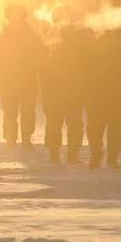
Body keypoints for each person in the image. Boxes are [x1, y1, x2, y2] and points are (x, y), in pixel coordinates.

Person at [0, 5, 45, 147]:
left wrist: (28, 64)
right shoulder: (1, 38)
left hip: (27, 83)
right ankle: (10, 140)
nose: (15, 19)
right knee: (9, 113)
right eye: (12, 16)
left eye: (18, 15)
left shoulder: (33, 38)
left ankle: (26, 139)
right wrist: (6, 61)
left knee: (28, 113)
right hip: (7, 83)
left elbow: (42, 57)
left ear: (23, 17)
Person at [86, 0, 121, 169]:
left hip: (117, 89)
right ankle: (96, 153)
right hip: (96, 89)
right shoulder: (91, 33)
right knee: (95, 126)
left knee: (116, 125)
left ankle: (112, 158)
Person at [41, 14, 94, 163]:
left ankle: (57, 156)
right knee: (71, 126)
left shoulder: (54, 49)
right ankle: (69, 156)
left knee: (57, 125)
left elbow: (45, 76)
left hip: (63, 96)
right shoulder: (74, 52)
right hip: (70, 96)